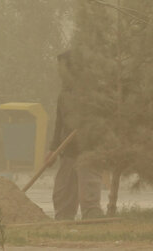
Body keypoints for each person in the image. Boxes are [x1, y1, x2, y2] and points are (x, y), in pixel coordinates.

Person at [48, 50, 102, 220]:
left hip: (88, 149)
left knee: (89, 188)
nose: (59, 71)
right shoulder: (63, 95)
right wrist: (52, 150)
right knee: (63, 191)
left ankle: (92, 216)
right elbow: (59, 124)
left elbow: (100, 116)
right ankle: (63, 219)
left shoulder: (89, 92)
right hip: (67, 151)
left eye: (61, 67)